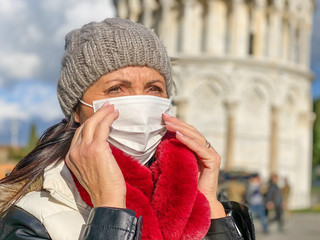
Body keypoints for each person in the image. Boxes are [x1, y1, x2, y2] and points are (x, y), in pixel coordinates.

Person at [0, 18, 254, 240]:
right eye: (116, 89)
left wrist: (210, 206)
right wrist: (109, 209)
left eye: (154, 88)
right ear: (77, 111)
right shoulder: (29, 219)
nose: (140, 104)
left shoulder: (193, 201)